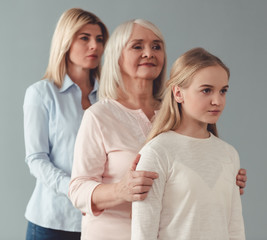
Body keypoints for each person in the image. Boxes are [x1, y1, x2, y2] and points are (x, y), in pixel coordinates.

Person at [69, 20, 247, 240]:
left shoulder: (179, 110)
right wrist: (121, 190)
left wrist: (222, 178)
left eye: (156, 46)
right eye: (137, 46)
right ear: (117, 55)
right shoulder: (99, 116)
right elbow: (77, 189)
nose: (149, 53)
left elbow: (196, 160)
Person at [131, 47, 246, 240]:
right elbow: (143, 232)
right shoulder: (158, 152)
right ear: (178, 93)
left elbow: (235, 229)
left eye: (223, 91)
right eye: (206, 90)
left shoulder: (229, 154)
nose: (217, 100)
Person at [23, 8, 108, 240]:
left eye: (99, 39)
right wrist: (76, 191)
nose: (95, 46)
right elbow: (36, 159)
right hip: (52, 221)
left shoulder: (109, 98)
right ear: (65, 41)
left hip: (100, 220)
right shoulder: (41, 94)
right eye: (85, 38)